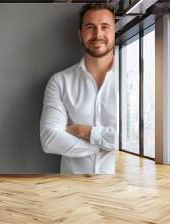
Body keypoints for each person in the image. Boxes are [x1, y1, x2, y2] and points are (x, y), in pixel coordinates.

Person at [40, 3, 118, 175]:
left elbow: (137, 140)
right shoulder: (60, 81)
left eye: (105, 27)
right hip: (71, 190)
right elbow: (49, 138)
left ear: (114, 31)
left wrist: (85, 131)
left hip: (124, 189)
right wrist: (99, 148)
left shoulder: (132, 81)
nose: (98, 34)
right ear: (80, 34)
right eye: (90, 27)